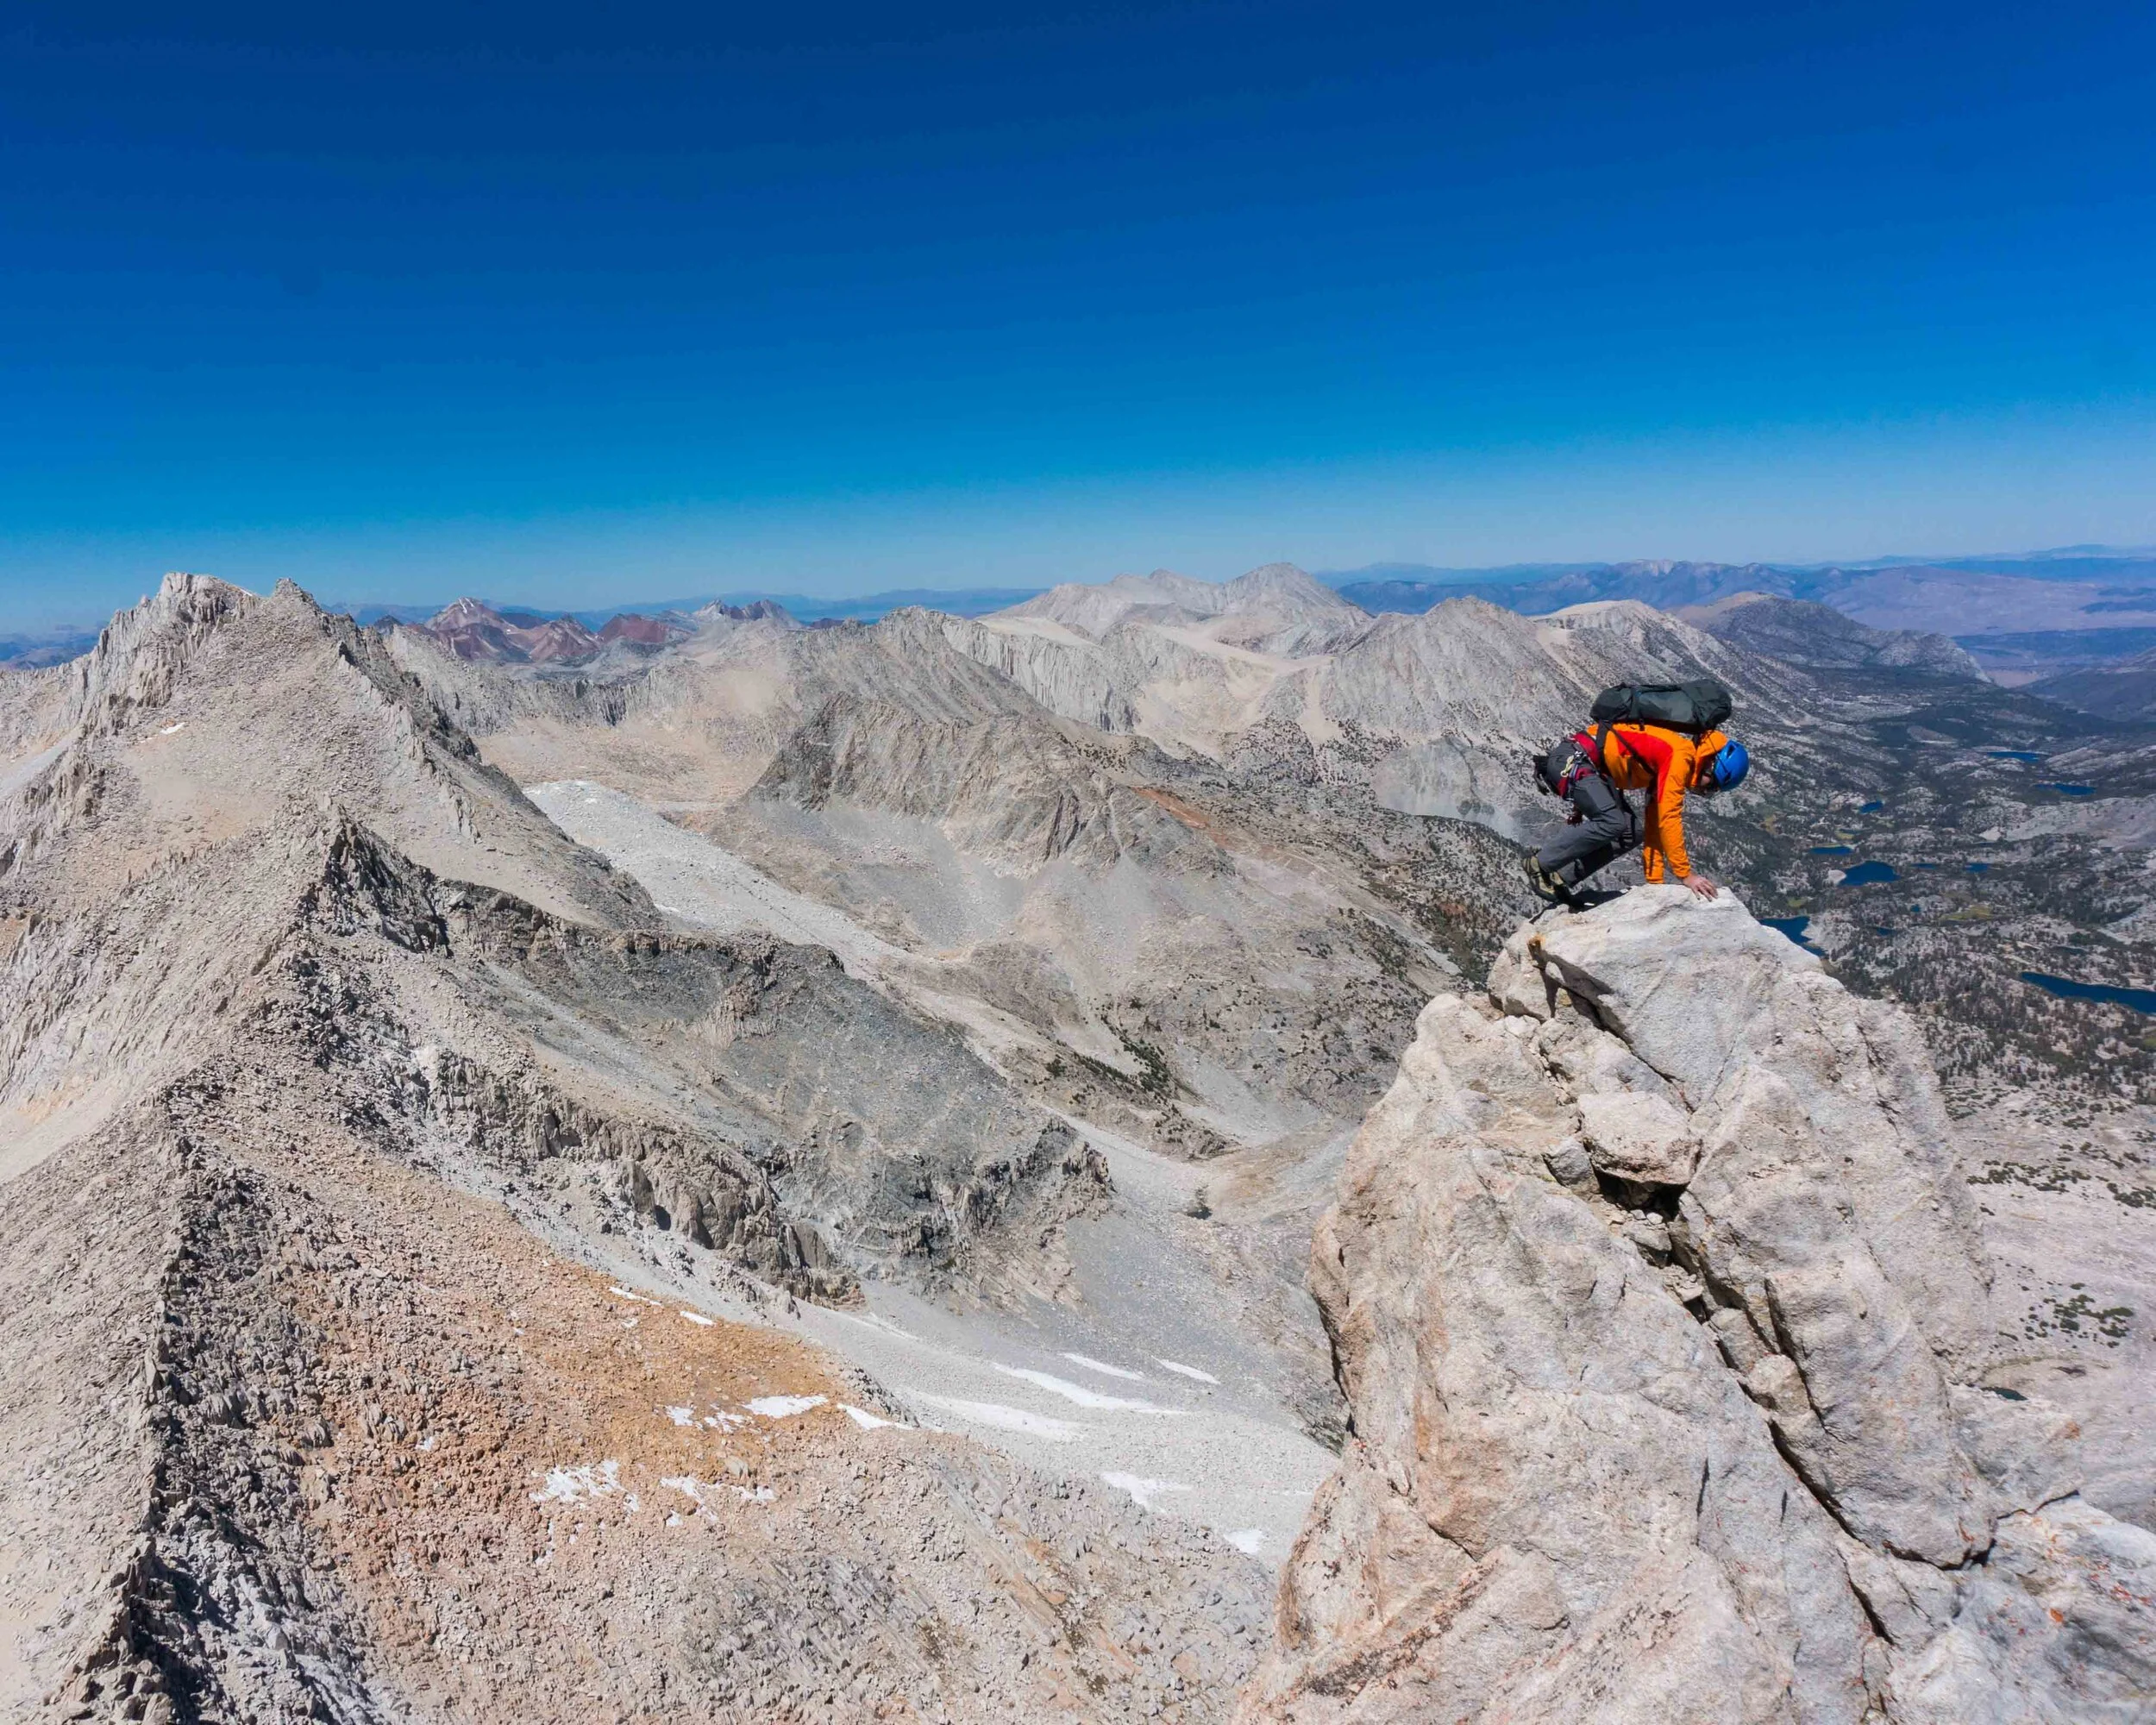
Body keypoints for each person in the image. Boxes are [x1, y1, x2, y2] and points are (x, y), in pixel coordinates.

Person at [1523, 721, 1750, 900]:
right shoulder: (1680, 758)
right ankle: (1539, 864)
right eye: (1711, 784)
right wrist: (1686, 875)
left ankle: (1560, 878)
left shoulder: (1667, 762)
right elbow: (1669, 819)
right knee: (1613, 822)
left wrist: (1656, 884)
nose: (1705, 789)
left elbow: (1654, 825)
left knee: (1633, 831)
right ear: (1710, 763)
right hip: (1575, 761)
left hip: (1584, 766)